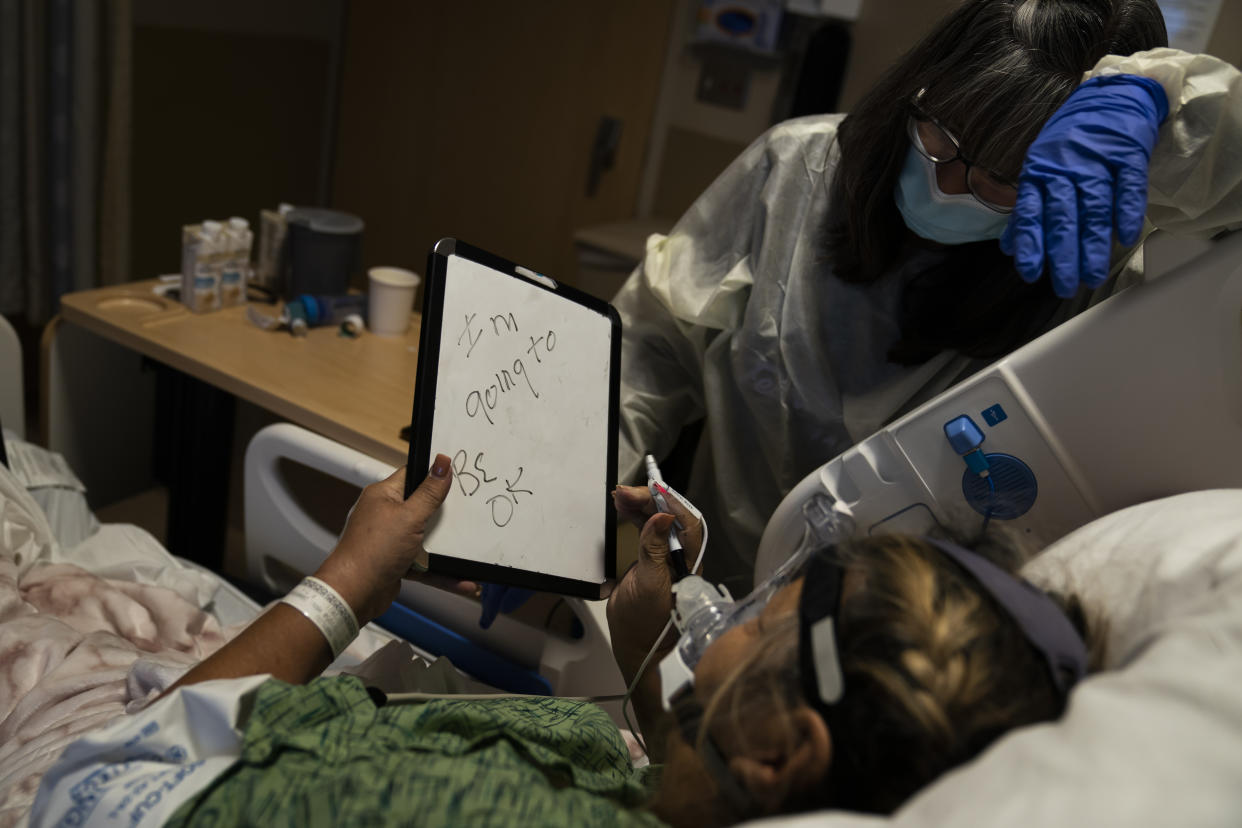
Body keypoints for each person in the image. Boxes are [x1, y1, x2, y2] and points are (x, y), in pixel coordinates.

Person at [614, 0, 1242, 592]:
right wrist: (567, 492)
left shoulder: (1100, 275)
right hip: (702, 575)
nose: (945, 181)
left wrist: (1177, 115)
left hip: (880, 636)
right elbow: (654, 348)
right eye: (941, 131)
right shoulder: (797, 168)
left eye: (1000, 176)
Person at [151, 458, 1094, 825]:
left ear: (781, 751)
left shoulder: (479, 810)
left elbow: (118, 775)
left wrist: (351, 575)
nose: (728, 619)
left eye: (762, 622)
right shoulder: (719, 785)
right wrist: (646, 653)